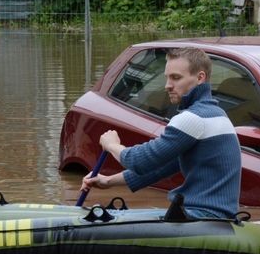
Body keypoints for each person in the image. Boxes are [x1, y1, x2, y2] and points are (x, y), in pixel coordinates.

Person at [81, 47, 241, 219]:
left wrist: (112, 145)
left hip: (201, 216)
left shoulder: (193, 118)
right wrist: (108, 181)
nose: (167, 86)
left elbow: (139, 161)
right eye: (167, 77)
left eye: (176, 78)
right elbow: (162, 168)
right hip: (215, 216)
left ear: (200, 78)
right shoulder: (217, 114)